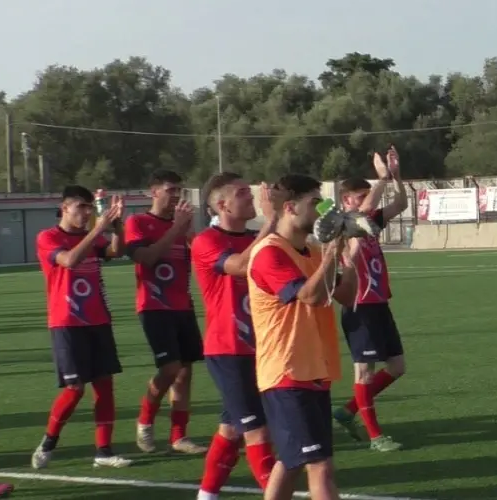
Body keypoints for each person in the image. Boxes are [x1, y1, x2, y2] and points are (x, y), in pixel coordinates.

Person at [248, 174, 358, 500]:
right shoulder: (270, 253)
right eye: (315, 203)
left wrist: (352, 248)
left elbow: (346, 295)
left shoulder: (310, 250)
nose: (322, 211)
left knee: (291, 462)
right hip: (287, 371)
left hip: (312, 368)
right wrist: (331, 253)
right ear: (290, 207)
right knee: (320, 466)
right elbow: (309, 297)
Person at [31, 186, 133, 470]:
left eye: (90, 208)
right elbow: (69, 260)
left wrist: (116, 227)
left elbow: (116, 250)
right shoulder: (48, 237)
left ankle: (103, 451)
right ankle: (49, 440)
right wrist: (97, 228)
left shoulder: (92, 236)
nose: (86, 213)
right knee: (75, 388)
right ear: (64, 207)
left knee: (105, 387)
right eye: (80, 207)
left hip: (98, 319)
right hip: (67, 322)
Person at [192, 173, 278, 500]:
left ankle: (207, 496)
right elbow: (241, 265)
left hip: (260, 349)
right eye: (243, 192)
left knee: (230, 430)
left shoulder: (258, 235)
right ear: (222, 204)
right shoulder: (207, 241)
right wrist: (271, 222)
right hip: (228, 350)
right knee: (257, 432)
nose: (251, 195)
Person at [330, 147, 407, 453]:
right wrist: (382, 179)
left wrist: (396, 178)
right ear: (347, 201)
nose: (366, 201)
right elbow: (364, 213)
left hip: (379, 304)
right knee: (365, 372)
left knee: (398, 367)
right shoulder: (342, 223)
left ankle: (348, 410)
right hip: (358, 307)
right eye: (359, 196)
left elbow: (400, 203)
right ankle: (376, 436)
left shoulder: (368, 222)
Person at [125, 170, 208, 454]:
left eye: (179, 191)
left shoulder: (181, 224)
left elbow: (201, 256)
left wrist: (190, 232)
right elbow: (145, 258)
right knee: (170, 368)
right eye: (171, 190)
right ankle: (145, 421)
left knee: (185, 373)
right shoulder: (137, 222)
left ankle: (178, 437)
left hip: (183, 305)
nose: (176, 195)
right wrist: (176, 229)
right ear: (153, 192)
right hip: (154, 305)